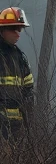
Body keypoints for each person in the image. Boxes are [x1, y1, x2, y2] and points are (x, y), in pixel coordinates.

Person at [0, 7, 33, 137]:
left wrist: (28, 118)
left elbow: (29, 89)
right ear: (2, 30)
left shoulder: (20, 58)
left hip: (16, 127)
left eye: (20, 29)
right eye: (14, 29)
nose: (18, 33)